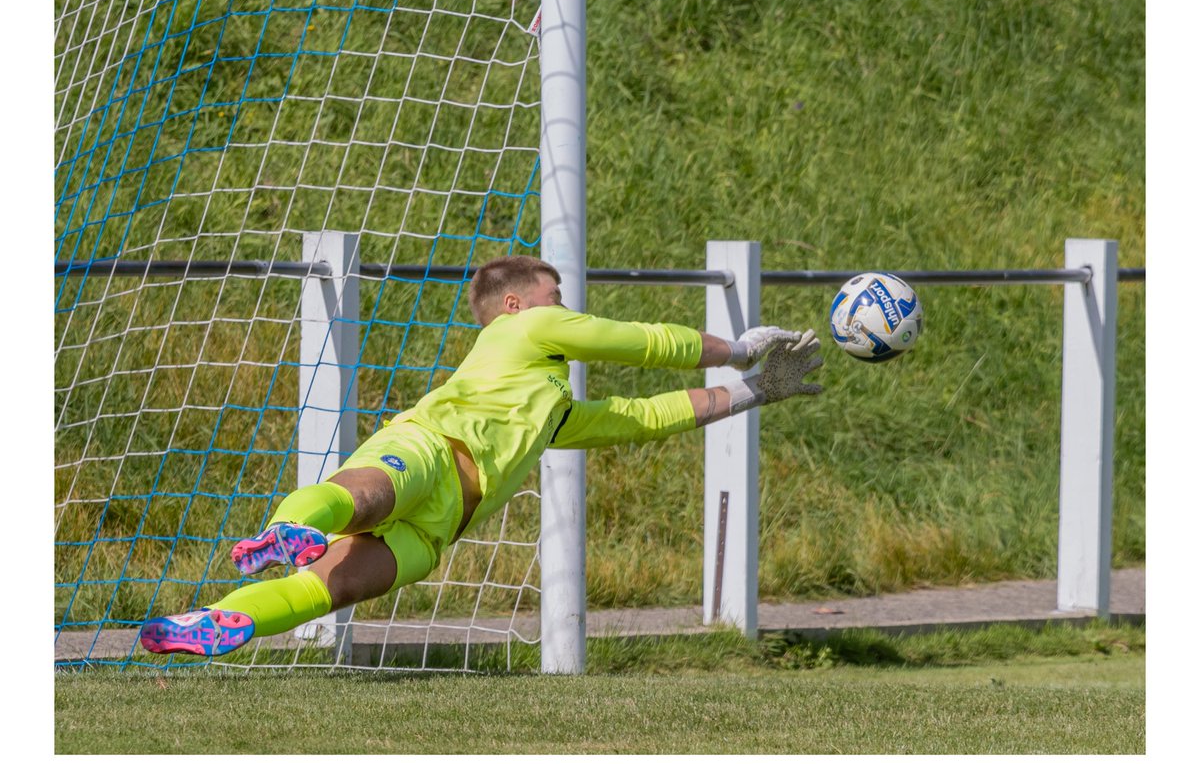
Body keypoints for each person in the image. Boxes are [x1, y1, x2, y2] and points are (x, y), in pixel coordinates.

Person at [139, 255, 824, 656]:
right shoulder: (526, 326)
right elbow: (637, 342)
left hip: (442, 524)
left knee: (339, 587)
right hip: (433, 445)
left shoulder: (548, 408)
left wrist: (757, 391)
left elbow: (643, 418)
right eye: (561, 297)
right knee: (368, 494)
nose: (570, 310)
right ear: (519, 305)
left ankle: (221, 619)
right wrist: (735, 349)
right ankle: (294, 530)